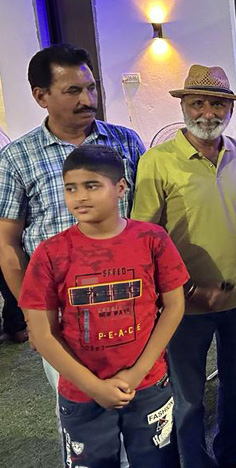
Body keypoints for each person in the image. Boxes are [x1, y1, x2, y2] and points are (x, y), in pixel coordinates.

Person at [0, 43, 145, 465]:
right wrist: (34, 312)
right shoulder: (16, 159)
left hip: (131, 306)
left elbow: (143, 221)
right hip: (64, 311)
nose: (87, 100)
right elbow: (7, 244)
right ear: (40, 95)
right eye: (72, 91)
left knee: (138, 412)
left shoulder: (126, 142)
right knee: (83, 419)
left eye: (91, 88)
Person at [131, 64, 236, 468]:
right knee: (188, 395)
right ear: (184, 106)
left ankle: (231, 455)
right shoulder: (158, 161)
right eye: (198, 102)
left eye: (217, 103)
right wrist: (187, 290)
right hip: (183, 307)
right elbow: (145, 239)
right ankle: (194, 462)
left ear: (229, 108)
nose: (207, 111)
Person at [19, 145, 188, 467]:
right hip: (82, 391)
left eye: (92, 186)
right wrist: (94, 386)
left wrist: (137, 373)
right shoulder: (51, 252)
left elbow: (174, 306)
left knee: (158, 461)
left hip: (148, 383)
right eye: (71, 188)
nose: (79, 196)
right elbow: (42, 333)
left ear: (120, 188)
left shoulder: (152, 239)